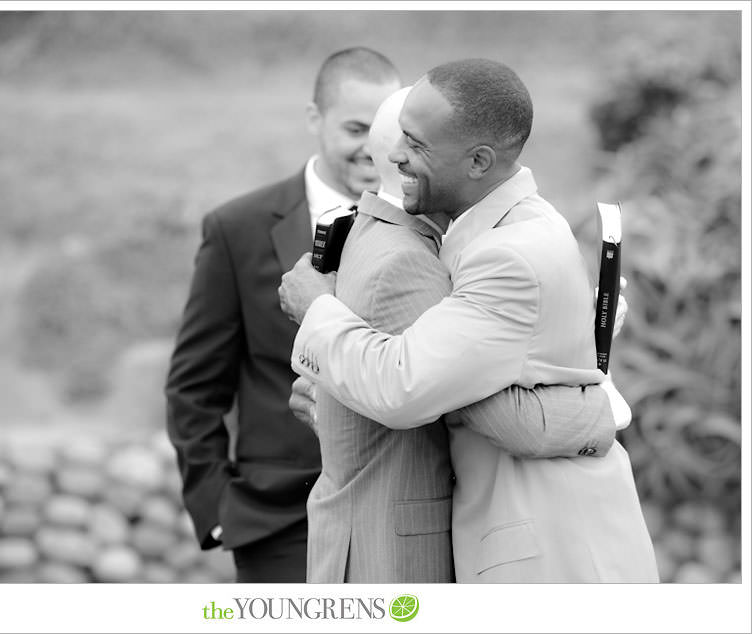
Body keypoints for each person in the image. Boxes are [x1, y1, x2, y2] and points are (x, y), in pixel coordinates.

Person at [279, 59, 659, 582]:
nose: (392, 155)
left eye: (415, 144)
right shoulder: (511, 222)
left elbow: (405, 384)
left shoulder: (506, 254)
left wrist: (316, 310)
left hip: (550, 553)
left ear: (479, 160)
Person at [165, 47, 400, 583]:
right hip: (278, 521)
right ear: (315, 118)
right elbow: (194, 386)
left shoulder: (430, 225)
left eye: (384, 129)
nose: (372, 149)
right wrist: (216, 509)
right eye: (355, 128)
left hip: (402, 511)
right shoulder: (237, 228)